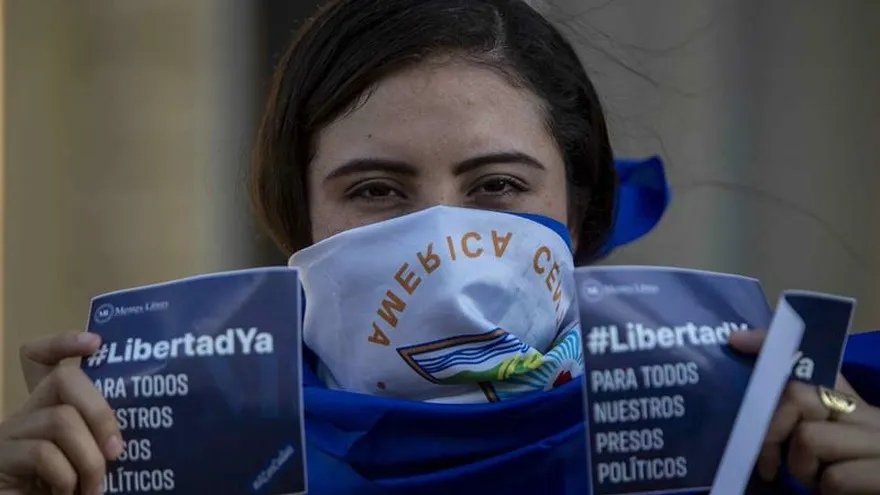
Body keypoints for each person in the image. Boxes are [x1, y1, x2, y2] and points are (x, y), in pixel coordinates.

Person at [1, 0, 879, 493]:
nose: (446, 241)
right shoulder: (180, 464)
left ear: (576, 215)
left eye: (497, 186)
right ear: (298, 223)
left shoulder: (752, 449)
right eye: (377, 190)